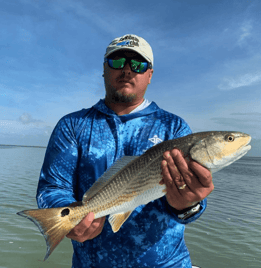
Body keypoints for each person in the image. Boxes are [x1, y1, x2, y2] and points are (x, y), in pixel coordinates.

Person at [36, 34, 214, 268]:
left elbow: (192, 209)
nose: (127, 70)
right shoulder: (73, 125)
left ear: (149, 75)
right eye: (117, 61)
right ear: (104, 69)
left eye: (138, 64)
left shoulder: (175, 127)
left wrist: (189, 204)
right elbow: (52, 187)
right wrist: (70, 220)